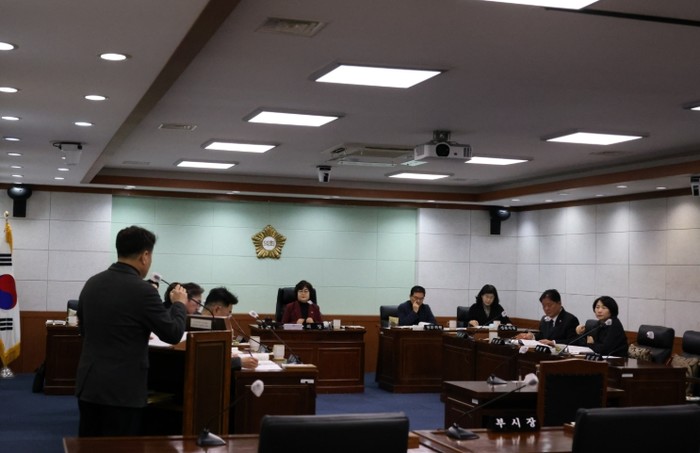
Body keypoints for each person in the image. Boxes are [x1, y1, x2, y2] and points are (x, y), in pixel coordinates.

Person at [75, 225, 188, 437]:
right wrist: (180, 304)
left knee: (89, 444)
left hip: (89, 385)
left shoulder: (92, 283)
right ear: (145, 256)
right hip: (122, 390)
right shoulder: (143, 290)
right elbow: (173, 333)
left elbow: (83, 329)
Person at [204, 287, 258, 369]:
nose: (228, 317)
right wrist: (239, 362)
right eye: (228, 313)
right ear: (217, 309)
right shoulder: (200, 329)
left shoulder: (210, 325)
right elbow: (208, 362)